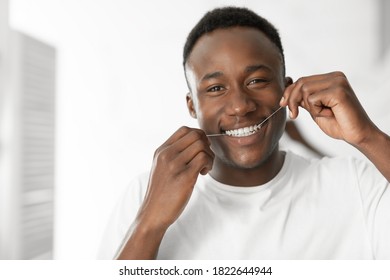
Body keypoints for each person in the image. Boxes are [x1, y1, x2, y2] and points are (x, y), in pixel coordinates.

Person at [98, 6, 390, 260]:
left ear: (286, 89)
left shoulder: (356, 185)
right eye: (215, 88)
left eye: (257, 80)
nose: (240, 106)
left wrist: (368, 137)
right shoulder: (144, 196)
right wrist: (150, 223)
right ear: (192, 106)